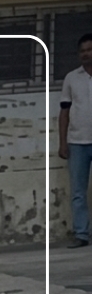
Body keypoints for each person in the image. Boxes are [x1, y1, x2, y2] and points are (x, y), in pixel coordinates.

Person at [60, 32, 92, 248]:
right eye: (82, 51)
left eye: (89, 50)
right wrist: (62, 142)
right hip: (78, 142)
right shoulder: (72, 78)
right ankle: (81, 233)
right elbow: (64, 112)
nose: (86, 54)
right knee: (78, 192)